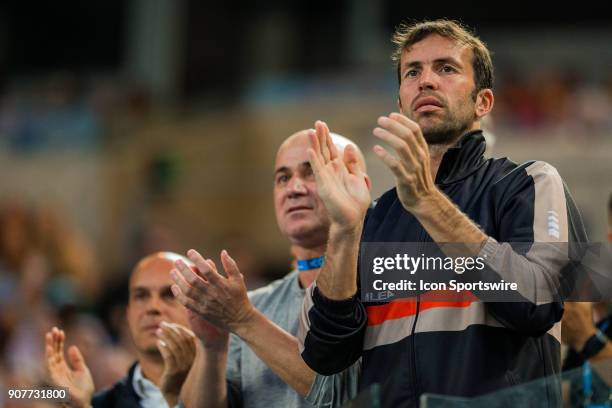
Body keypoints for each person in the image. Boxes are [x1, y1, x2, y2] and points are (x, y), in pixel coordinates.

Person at [296, 19, 588, 407]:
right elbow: (325, 355)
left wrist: (427, 202)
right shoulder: (375, 219)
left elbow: (536, 303)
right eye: (412, 72)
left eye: (446, 68)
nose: (426, 81)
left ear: (483, 102)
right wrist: (345, 230)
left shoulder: (527, 183)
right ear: (400, 102)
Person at [171, 130, 369, 407]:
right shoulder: (255, 305)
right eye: (283, 178)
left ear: (360, 184)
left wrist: (244, 320)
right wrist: (212, 348)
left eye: (312, 172)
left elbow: (340, 396)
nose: (294, 188)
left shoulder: (391, 288)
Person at [45, 252, 197, 408]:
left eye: (170, 295)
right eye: (141, 296)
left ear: (200, 310)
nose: (153, 307)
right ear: (128, 314)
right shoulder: (96, 405)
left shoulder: (222, 395)